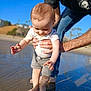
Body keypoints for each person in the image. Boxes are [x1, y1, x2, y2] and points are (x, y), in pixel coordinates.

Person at [10, 3, 59, 91]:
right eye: (37, 28)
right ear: (32, 24)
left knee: (45, 77)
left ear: (53, 23)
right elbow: (26, 40)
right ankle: (35, 87)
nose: (40, 32)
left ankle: (42, 86)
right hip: (36, 57)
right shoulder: (32, 31)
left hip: (48, 60)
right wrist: (19, 46)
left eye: (45, 29)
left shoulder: (53, 34)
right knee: (35, 72)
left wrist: (52, 61)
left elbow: (56, 49)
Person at [36, 0, 91, 78]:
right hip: (74, 8)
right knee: (55, 29)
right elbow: (51, 3)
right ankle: (49, 74)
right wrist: (56, 16)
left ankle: (51, 75)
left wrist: (64, 46)